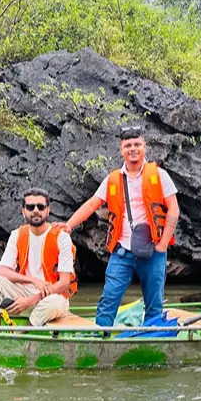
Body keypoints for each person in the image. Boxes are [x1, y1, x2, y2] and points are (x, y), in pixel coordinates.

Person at [56, 125, 180, 327]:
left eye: (137, 144)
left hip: (153, 250)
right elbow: (92, 204)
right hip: (122, 251)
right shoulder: (113, 179)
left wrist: (163, 244)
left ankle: (151, 336)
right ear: (121, 149)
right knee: (109, 298)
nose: (133, 149)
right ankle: (101, 335)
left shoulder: (159, 175)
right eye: (128, 145)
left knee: (154, 303)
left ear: (144, 147)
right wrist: (69, 225)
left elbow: (173, 209)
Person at [0, 188, 77, 326]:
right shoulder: (17, 234)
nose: (36, 210)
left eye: (41, 206)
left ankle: (23, 333)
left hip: (51, 297)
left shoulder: (62, 237)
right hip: (23, 293)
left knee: (55, 302)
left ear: (48, 210)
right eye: (30, 207)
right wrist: (33, 280)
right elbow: (2, 271)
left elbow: (64, 283)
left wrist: (30, 301)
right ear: (23, 211)